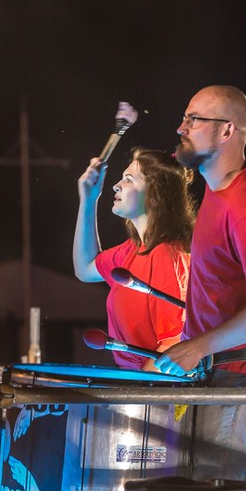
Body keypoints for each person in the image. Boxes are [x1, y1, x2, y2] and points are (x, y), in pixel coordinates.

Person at [153, 85, 246, 482]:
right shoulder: (229, 189)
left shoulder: (244, 205)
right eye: (185, 118)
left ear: (227, 131)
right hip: (220, 371)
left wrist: (197, 346)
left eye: (194, 120)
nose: (181, 127)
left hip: (240, 376)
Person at [74, 147, 194, 371]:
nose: (116, 185)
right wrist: (89, 200)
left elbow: (174, 344)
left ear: (154, 195)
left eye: (128, 180)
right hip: (138, 386)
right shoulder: (132, 250)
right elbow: (84, 269)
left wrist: (139, 396)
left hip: (153, 394)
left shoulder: (166, 255)